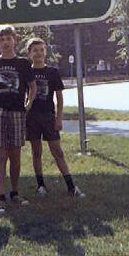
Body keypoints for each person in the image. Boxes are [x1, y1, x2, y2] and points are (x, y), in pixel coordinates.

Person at [0, 25, 37, 214]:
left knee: (15, 154)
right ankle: (0, 197)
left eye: (8, 39)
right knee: (1, 155)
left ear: (14, 40)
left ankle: (15, 192)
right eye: (2, 39)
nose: (5, 42)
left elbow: (33, 87)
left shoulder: (23, 63)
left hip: (18, 112)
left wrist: (28, 104)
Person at [25, 37, 85, 198]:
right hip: (32, 118)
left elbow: (59, 97)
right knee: (36, 152)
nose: (38, 53)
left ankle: (71, 186)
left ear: (45, 52)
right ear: (29, 54)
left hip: (48, 116)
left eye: (41, 50)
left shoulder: (52, 72)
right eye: (35, 50)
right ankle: (40, 185)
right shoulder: (27, 72)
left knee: (57, 152)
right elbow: (24, 95)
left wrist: (59, 118)